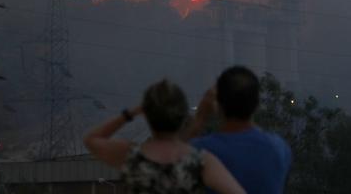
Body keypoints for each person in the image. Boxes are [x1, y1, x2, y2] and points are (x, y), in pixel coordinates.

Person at [84, 79, 246, 194]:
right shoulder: (200, 162)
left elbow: (91, 139)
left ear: (147, 115)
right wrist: (201, 117)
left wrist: (130, 113)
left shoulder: (131, 157)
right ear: (183, 115)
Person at [187, 66, 292, 194]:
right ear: (257, 104)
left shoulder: (200, 151)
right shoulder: (279, 149)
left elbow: (169, 166)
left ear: (218, 105)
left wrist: (200, 118)